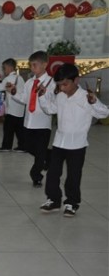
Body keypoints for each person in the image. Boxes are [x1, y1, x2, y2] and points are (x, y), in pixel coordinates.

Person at [37, 63, 109, 217]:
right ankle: (53, 200)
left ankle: (71, 202)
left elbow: (104, 113)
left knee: (73, 176)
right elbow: (50, 109)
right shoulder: (60, 96)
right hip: (59, 142)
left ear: (76, 80)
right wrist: (42, 96)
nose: (62, 88)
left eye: (65, 84)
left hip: (77, 144)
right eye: (59, 85)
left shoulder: (85, 97)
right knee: (53, 173)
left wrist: (94, 102)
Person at [6, 51, 55, 188]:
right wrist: (14, 92)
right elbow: (25, 99)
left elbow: (52, 102)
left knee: (39, 153)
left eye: (35, 65)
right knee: (27, 146)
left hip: (43, 124)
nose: (32, 68)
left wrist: (44, 94)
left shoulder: (51, 83)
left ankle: (36, 176)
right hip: (28, 122)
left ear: (45, 65)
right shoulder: (29, 82)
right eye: (31, 65)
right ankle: (50, 155)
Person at [0, 58, 26, 152]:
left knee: (8, 128)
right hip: (20, 108)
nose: (4, 70)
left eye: (4, 68)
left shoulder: (8, 79)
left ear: (10, 67)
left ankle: (7, 146)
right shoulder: (20, 78)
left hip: (11, 109)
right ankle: (22, 146)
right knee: (19, 129)